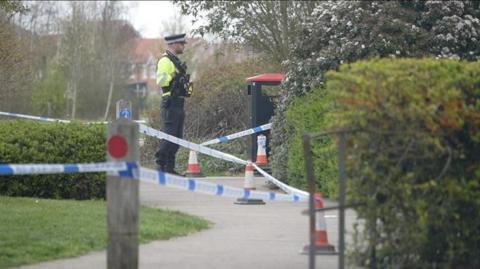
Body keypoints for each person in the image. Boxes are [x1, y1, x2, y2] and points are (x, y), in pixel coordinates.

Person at [155, 33, 193, 174]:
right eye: (181, 44)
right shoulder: (165, 61)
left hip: (178, 102)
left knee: (177, 138)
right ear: (173, 44)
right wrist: (174, 75)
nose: (183, 46)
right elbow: (161, 81)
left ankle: (170, 168)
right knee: (169, 136)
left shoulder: (175, 61)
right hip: (170, 103)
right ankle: (160, 165)